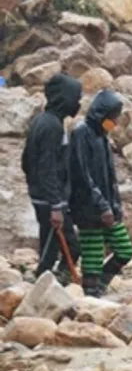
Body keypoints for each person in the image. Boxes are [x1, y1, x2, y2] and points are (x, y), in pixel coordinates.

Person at [68, 90, 132, 298]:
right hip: (88, 206)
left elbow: (109, 178)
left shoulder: (103, 137)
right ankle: (91, 292)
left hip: (107, 206)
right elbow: (81, 174)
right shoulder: (81, 133)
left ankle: (100, 285)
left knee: (125, 250)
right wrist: (101, 205)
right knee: (93, 253)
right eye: (112, 117)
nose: (114, 121)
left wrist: (114, 206)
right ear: (101, 114)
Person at [22, 73, 82, 280]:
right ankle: (47, 286)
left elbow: (26, 161)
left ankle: (49, 283)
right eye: (76, 98)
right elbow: (47, 167)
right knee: (67, 247)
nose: (78, 103)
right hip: (50, 200)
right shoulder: (52, 127)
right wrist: (55, 204)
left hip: (44, 196)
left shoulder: (43, 120)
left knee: (51, 245)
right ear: (64, 98)